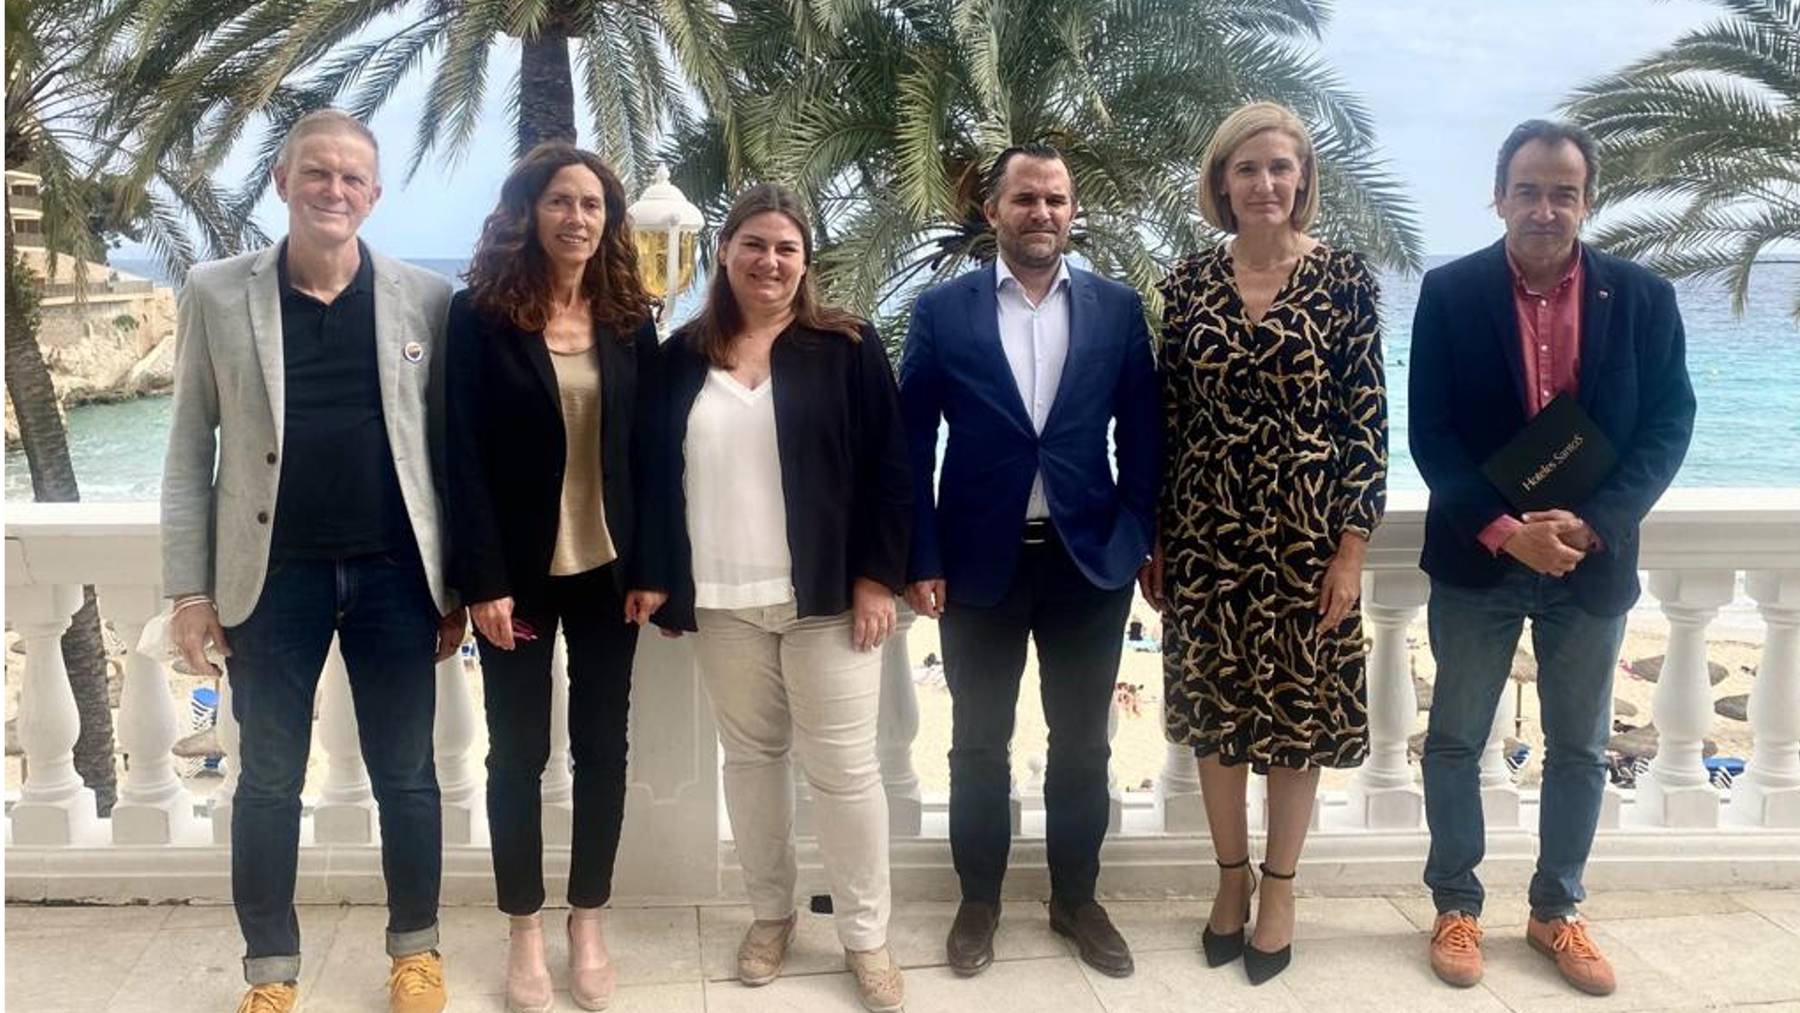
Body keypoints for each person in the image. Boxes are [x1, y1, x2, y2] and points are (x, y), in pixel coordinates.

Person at [160, 108, 464, 1013]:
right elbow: (187, 452)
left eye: (352, 178)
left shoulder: (427, 298)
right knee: (267, 781)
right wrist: (189, 589)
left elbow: (445, 452)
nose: (334, 191)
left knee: (409, 773)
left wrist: (456, 581)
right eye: (317, 174)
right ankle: (271, 972)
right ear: (283, 182)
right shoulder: (216, 292)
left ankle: (416, 951)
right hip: (271, 579)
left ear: (374, 195)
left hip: (395, 578)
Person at [1411, 119, 1695, 998]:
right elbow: (1432, 434)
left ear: (1587, 199)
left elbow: (1668, 424)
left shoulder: (1643, 297)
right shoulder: (1451, 292)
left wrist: (1595, 523)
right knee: (1455, 741)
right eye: (1528, 189)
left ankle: (1554, 912)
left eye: (1563, 191)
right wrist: (1507, 530)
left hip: (1590, 563)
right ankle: (1456, 905)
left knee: (1579, 748)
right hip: (1480, 562)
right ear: (1498, 196)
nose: (1545, 207)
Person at [899, 142, 1160, 980]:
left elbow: (1144, 433)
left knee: (1083, 745)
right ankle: (979, 900)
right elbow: (910, 442)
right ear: (993, 212)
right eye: (1024, 199)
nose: (1040, 212)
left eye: (1055, 199)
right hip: (978, 563)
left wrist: (1137, 533)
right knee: (977, 742)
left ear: (1072, 212)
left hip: (1088, 564)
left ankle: (1075, 898)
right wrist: (921, 552)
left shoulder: (1117, 311)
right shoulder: (944, 312)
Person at [1143, 100, 1388, 985]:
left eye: (1280, 168)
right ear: (1221, 183)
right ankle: (1228, 878)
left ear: (1303, 180)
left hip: (1306, 540)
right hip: (1205, 535)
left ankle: (1279, 889)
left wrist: (1352, 549)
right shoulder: (1186, 284)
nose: (1265, 183)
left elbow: (1366, 423)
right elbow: (1165, 421)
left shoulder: (1347, 281)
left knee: (1294, 721)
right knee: (1215, 716)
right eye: (1246, 169)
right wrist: (1159, 535)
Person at [653, 183, 912, 1013]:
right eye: (754, 244)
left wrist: (878, 576)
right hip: (724, 598)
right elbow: (651, 476)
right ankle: (771, 914)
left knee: (844, 772)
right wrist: (659, 581)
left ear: (806, 262)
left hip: (828, 597)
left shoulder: (846, 345)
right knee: (753, 764)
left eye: (787, 248)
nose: (770, 261)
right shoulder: (680, 356)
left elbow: (889, 466)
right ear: (723, 253)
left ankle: (866, 937)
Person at [443, 143, 668, 1013]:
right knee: (518, 753)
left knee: (602, 750)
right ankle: (525, 930)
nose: (577, 217)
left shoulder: (625, 317)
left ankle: (588, 920)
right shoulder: (482, 315)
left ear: (608, 222)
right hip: (519, 583)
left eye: (592, 204)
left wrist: (653, 567)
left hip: (609, 574)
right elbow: (459, 452)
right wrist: (483, 582)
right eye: (560, 201)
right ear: (527, 212)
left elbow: (647, 454)